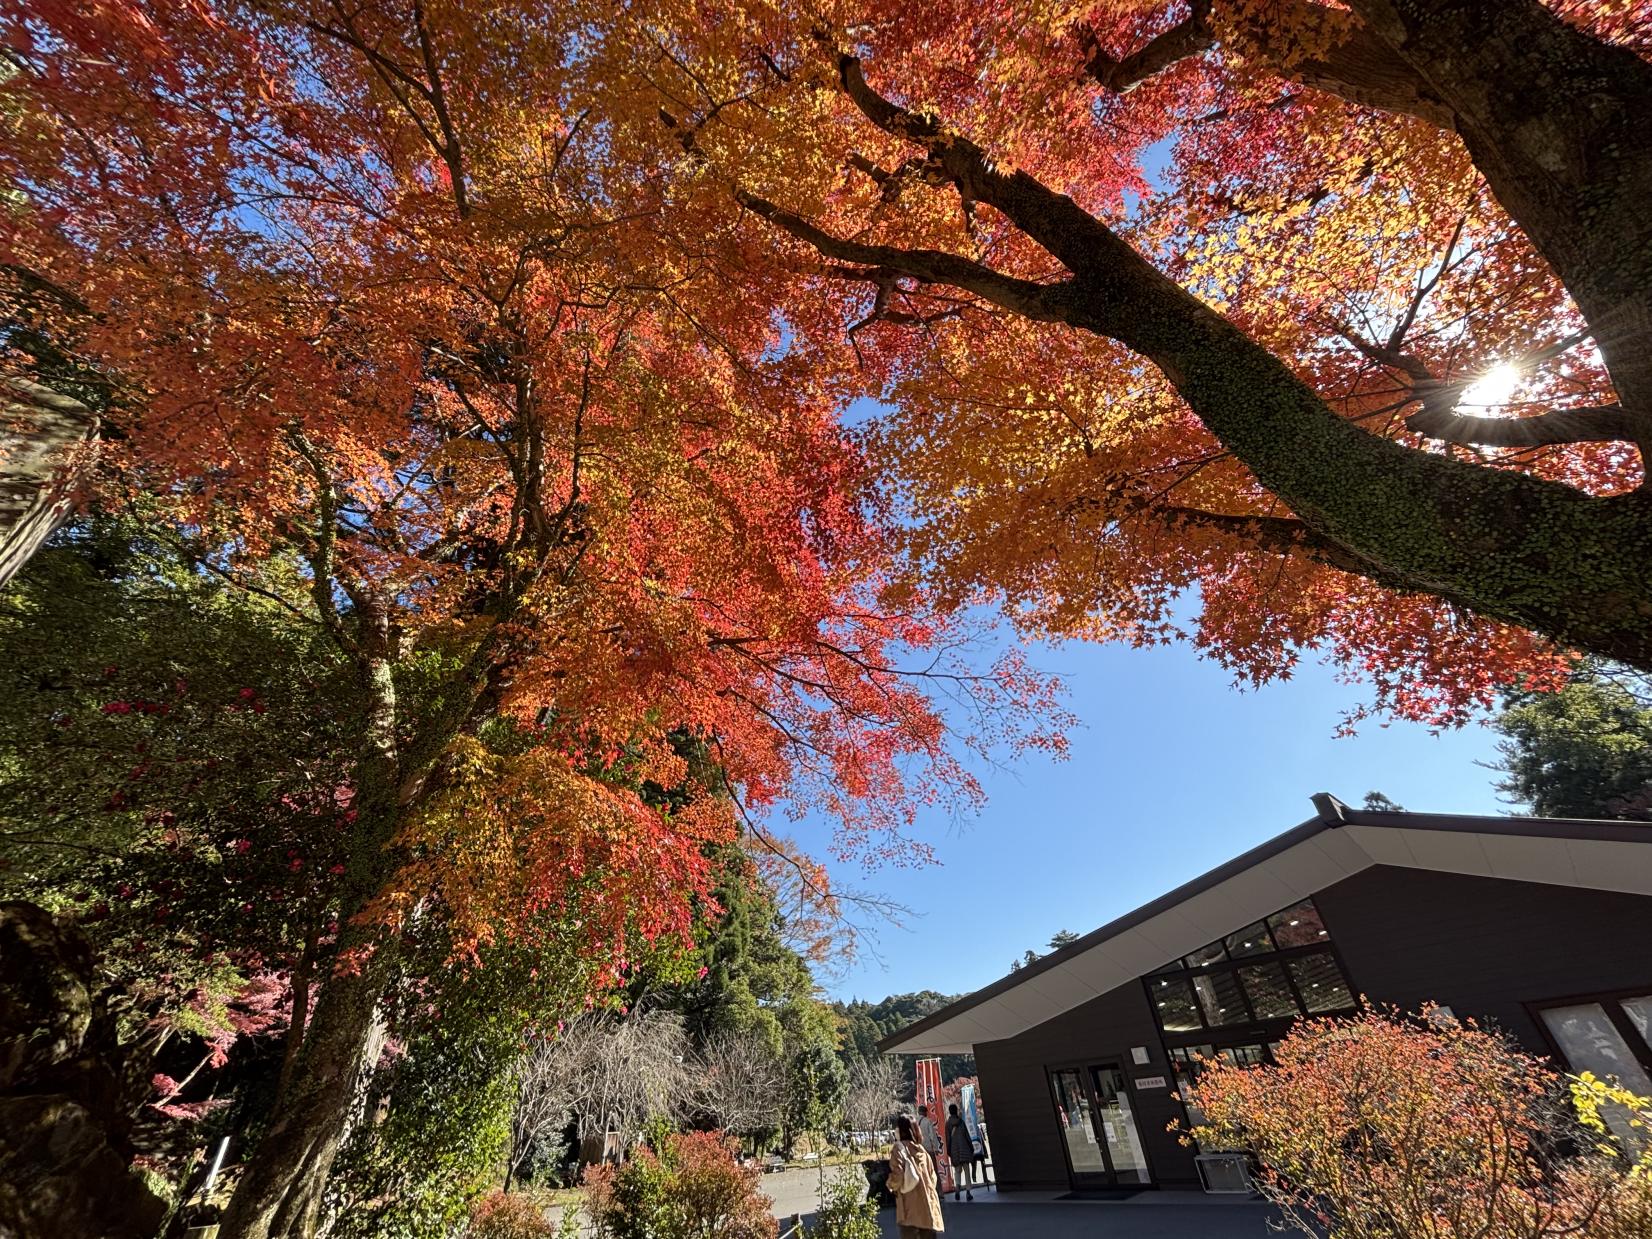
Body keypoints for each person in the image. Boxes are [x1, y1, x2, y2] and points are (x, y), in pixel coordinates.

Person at [889, 1114, 945, 1238]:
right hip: (928, 1208)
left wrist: (890, 1185)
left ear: (899, 1130)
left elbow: (897, 1176)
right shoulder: (922, 1150)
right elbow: (932, 1178)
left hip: (909, 1209)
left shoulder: (898, 1149)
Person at [945, 1103, 976, 1201]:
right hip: (964, 1149)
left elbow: (948, 1139)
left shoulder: (948, 1124)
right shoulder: (961, 1122)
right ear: (956, 1111)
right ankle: (968, 1192)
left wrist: (949, 1151)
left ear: (949, 1112)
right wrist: (971, 1148)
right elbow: (967, 1136)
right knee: (967, 1172)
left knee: (957, 1171)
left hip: (955, 1151)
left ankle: (957, 1189)